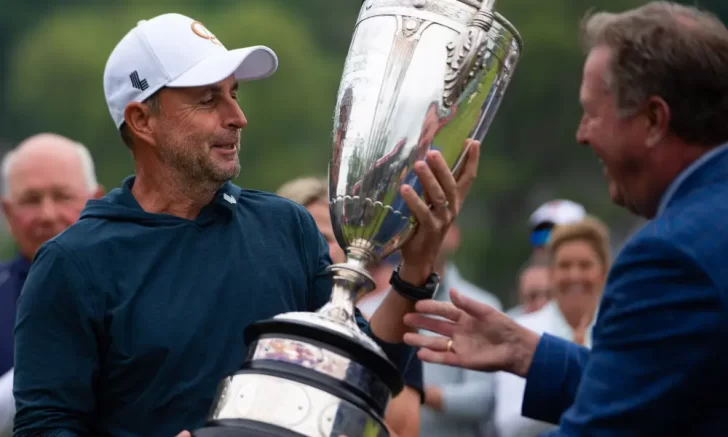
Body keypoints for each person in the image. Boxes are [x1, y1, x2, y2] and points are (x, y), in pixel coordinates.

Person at [12, 13, 481, 437]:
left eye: (233, 94)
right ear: (142, 121)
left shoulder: (287, 227)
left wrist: (414, 272)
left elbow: (361, 370)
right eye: (208, 99)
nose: (237, 117)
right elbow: (45, 426)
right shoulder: (72, 262)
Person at [403, 2, 728, 435]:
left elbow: (609, 423)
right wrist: (529, 353)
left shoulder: (671, 257)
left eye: (593, 112)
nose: (581, 133)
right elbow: (653, 385)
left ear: (653, 120)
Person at [276, 176, 423, 437]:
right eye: (309, 237)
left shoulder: (381, 335)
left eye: (328, 238)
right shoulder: (258, 319)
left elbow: (402, 431)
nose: (318, 249)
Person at [0, 134, 103, 436]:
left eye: (63, 196)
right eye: (31, 200)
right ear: (7, 212)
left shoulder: (137, 286)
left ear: (96, 200)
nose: (47, 215)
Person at [495, 217, 610, 437]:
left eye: (585, 265)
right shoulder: (521, 328)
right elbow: (508, 425)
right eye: (565, 266)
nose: (574, 275)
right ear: (550, 274)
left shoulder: (623, 331)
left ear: (603, 272)